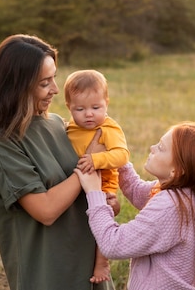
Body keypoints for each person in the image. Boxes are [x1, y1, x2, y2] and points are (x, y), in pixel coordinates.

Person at [0, 34, 112, 290]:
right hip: (48, 274)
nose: (55, 89)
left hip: (89, 267)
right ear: (17, 86)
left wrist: (105, 201)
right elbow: (46, 211)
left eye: (54, 78)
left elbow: (90, 191)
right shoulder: (1, 141)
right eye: (44, 83)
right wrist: (85, 168)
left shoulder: (60, 125)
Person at [74, 121, 195, 290]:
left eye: (161, 148)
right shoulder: (186, 194)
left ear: (177, 170)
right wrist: (115, 156)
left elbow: (114, 244)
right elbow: (136, 190)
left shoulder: (171, 206)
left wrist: (94, 192)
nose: (152, 148)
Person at [64, 69, 130, 284]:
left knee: (103, 219)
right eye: (80, 109)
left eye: (96, 107)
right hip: (75, 186)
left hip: (103, 184)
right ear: (69, 108)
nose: (89, 114)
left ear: (106, 103)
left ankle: (101, 261)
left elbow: (122, 155)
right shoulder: (69, 127)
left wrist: (96, 159)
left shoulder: (108, 127)